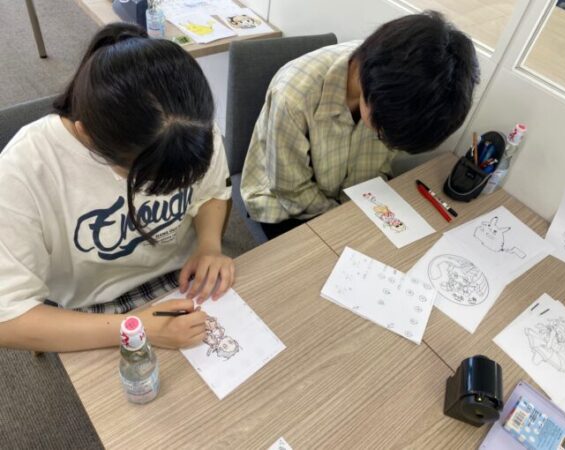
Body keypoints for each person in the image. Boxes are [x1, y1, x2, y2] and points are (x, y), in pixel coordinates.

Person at [0, 23, 234, 352]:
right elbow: (8, 318)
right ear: (86, 135)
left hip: (181, 275)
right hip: (91, 307)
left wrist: (209, 246)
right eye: (145, 178)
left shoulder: (189, 127)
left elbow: (211, 193)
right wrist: (137, 328)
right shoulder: (24, 170)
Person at [241, 11, 480, 239]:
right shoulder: (294, 96)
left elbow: (378, 166)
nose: (384, 140)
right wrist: (348, 220)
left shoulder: (397, 89)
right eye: (382, 134)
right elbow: (291, 190)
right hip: (284, 204)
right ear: (371, 91)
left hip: (353, 196)